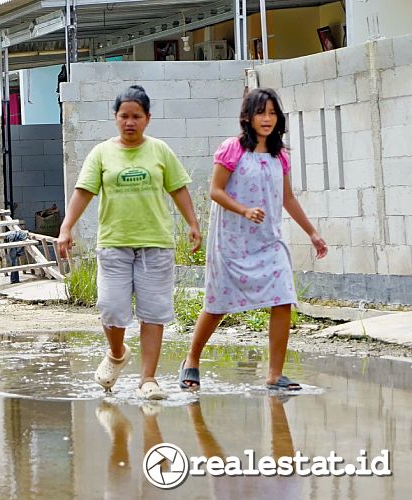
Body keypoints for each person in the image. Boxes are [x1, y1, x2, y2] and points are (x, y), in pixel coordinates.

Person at [57, 85, 202, 400]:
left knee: (152, 312)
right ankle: (117, 352)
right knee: (111, 308)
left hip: (155, 243)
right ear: (115, 117)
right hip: (114, 243)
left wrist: (192, 223)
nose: (130, 122)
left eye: (137, 116)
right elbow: (83, 191)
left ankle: (148, 378)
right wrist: (67, 227)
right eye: (124, 116)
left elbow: (178, 188)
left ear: (148, 118)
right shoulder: (101, 153)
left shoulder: (160, 151)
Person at [178, 88, 328, 392]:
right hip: (231, 243)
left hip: (268, 242)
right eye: (261, 112)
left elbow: (287, 198)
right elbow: (215, 191)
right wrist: (244, 210)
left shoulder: (279, 156)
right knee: (217, 303)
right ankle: (191, 359)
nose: (267, 119)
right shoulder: (232, 149)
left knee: (283, 298)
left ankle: (275, 374)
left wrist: (312, 233)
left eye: (273, 113)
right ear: (247, 116)